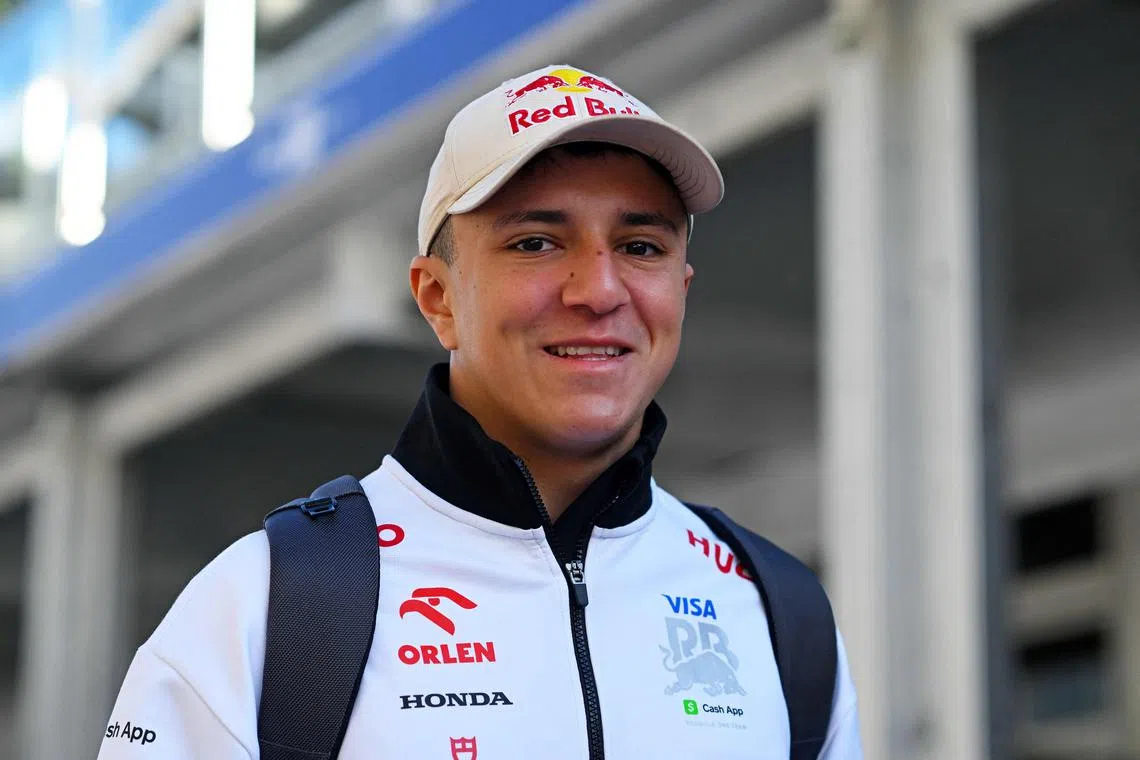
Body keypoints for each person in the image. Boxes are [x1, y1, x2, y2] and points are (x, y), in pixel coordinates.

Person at [97, 65, 863, 759]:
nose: (598, 290)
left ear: (681, 292)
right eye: (535, 242)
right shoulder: (266, 605)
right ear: (438, 299)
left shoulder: (776, 608)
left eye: (640, 246)